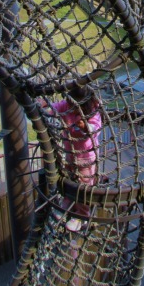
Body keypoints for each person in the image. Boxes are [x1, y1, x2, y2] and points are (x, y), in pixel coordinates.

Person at [39, 85, 102, 232]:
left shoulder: (93, 110)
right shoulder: (66, 106)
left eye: (76, 107)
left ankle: (82, 216)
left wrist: (87, 127)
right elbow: (54, 109)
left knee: (84, 187)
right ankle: (66, 205)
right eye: (71, 105)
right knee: (69, 180)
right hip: (70, 155)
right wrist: (44, 105)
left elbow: (96, 128)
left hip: (87, 159)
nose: (72, 109)